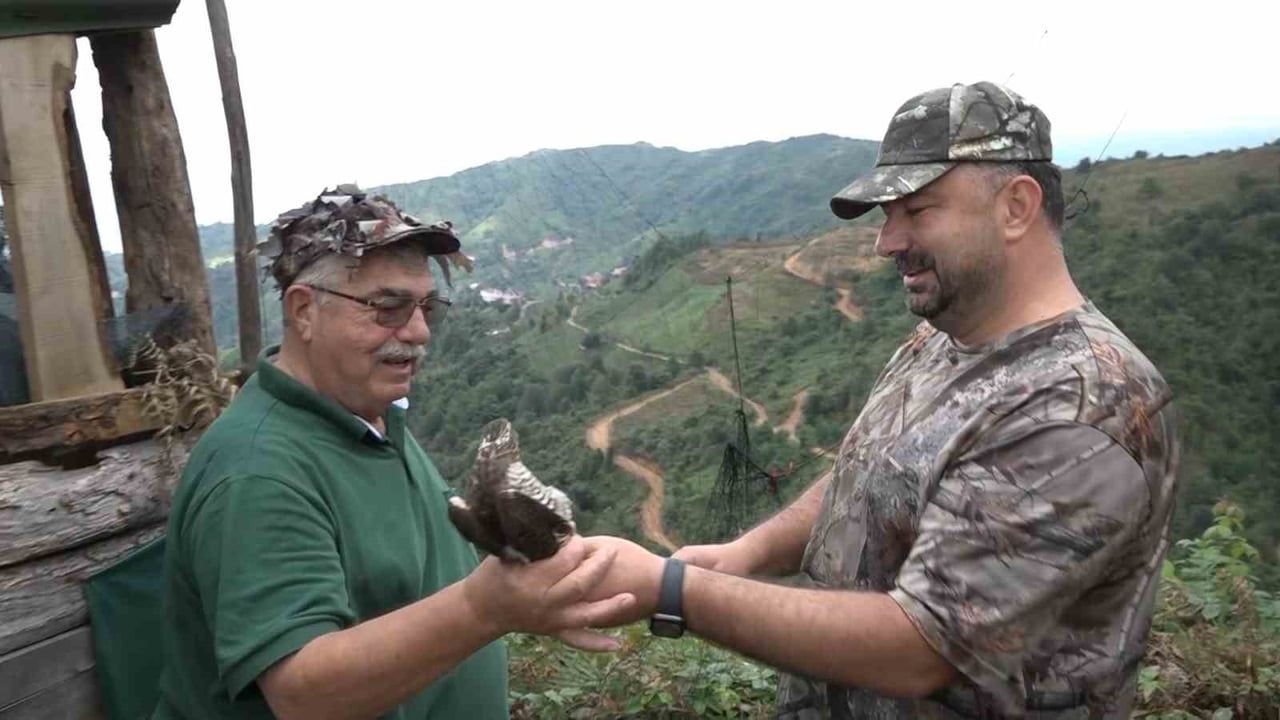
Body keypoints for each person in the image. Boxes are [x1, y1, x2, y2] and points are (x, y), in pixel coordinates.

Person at [581, 81, 1180, 718]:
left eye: (917, 211)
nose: (886, 242)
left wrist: (668, 589)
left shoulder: (1080, 404)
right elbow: (868, 475)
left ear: (1016, 207)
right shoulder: (939, 339)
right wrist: (746, 553)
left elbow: (920, 649)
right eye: (887, 215)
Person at [152, 186, 633, 719]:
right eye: (388, 307)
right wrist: (487, 608)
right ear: (304, 311)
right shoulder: (258, 472)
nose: (420, 331)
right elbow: (303, 692)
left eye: (426, 305)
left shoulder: (370, 416)